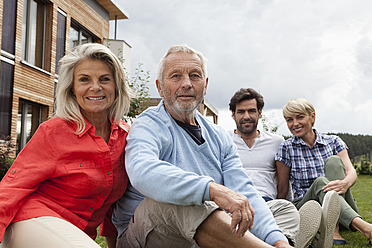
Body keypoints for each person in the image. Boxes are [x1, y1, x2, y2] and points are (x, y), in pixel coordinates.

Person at [111, 45, 293, 248]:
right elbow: (142, 171)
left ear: (205, 85)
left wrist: (278, 241)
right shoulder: (148, 124)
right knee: (184, 200)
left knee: (282, 209)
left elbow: (244, 191)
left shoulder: (217, 135)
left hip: (200, 229)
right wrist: (212, 189)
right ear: (160, 87)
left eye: (195, 76)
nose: (186, 84)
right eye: (176, 76)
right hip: (146, 236)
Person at [0, 43, 133, 248]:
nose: (95, 87)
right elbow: (12, 188)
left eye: (105, 79)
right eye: (84, 79)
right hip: (32, 223)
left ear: (117, 86)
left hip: (76, 236)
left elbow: (112, 205)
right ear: (72, 88)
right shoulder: (53, 132)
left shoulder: (127, 138)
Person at [228, 88, 323, 248]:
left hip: (268, 205)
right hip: (235, 205)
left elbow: (284, 180)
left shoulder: (277, 142)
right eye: (241, 111)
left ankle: (277, 241)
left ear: (259, 113)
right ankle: (289, 241)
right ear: (233, 114)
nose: (246, 116)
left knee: (288, 209)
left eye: (252, 111)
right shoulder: (223, 140)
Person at [275, 98, 372, 247]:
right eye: (289, 120)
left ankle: (335, 225)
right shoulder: (286, 148)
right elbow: (282, 189)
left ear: (312, 116)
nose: (294, 124)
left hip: (342, 206)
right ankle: (366, 229)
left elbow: (350, 172)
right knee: (320, 181)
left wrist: (345, 183)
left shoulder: (333, 141)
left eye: (300, 117)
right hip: (308, 207)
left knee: (334, 161)